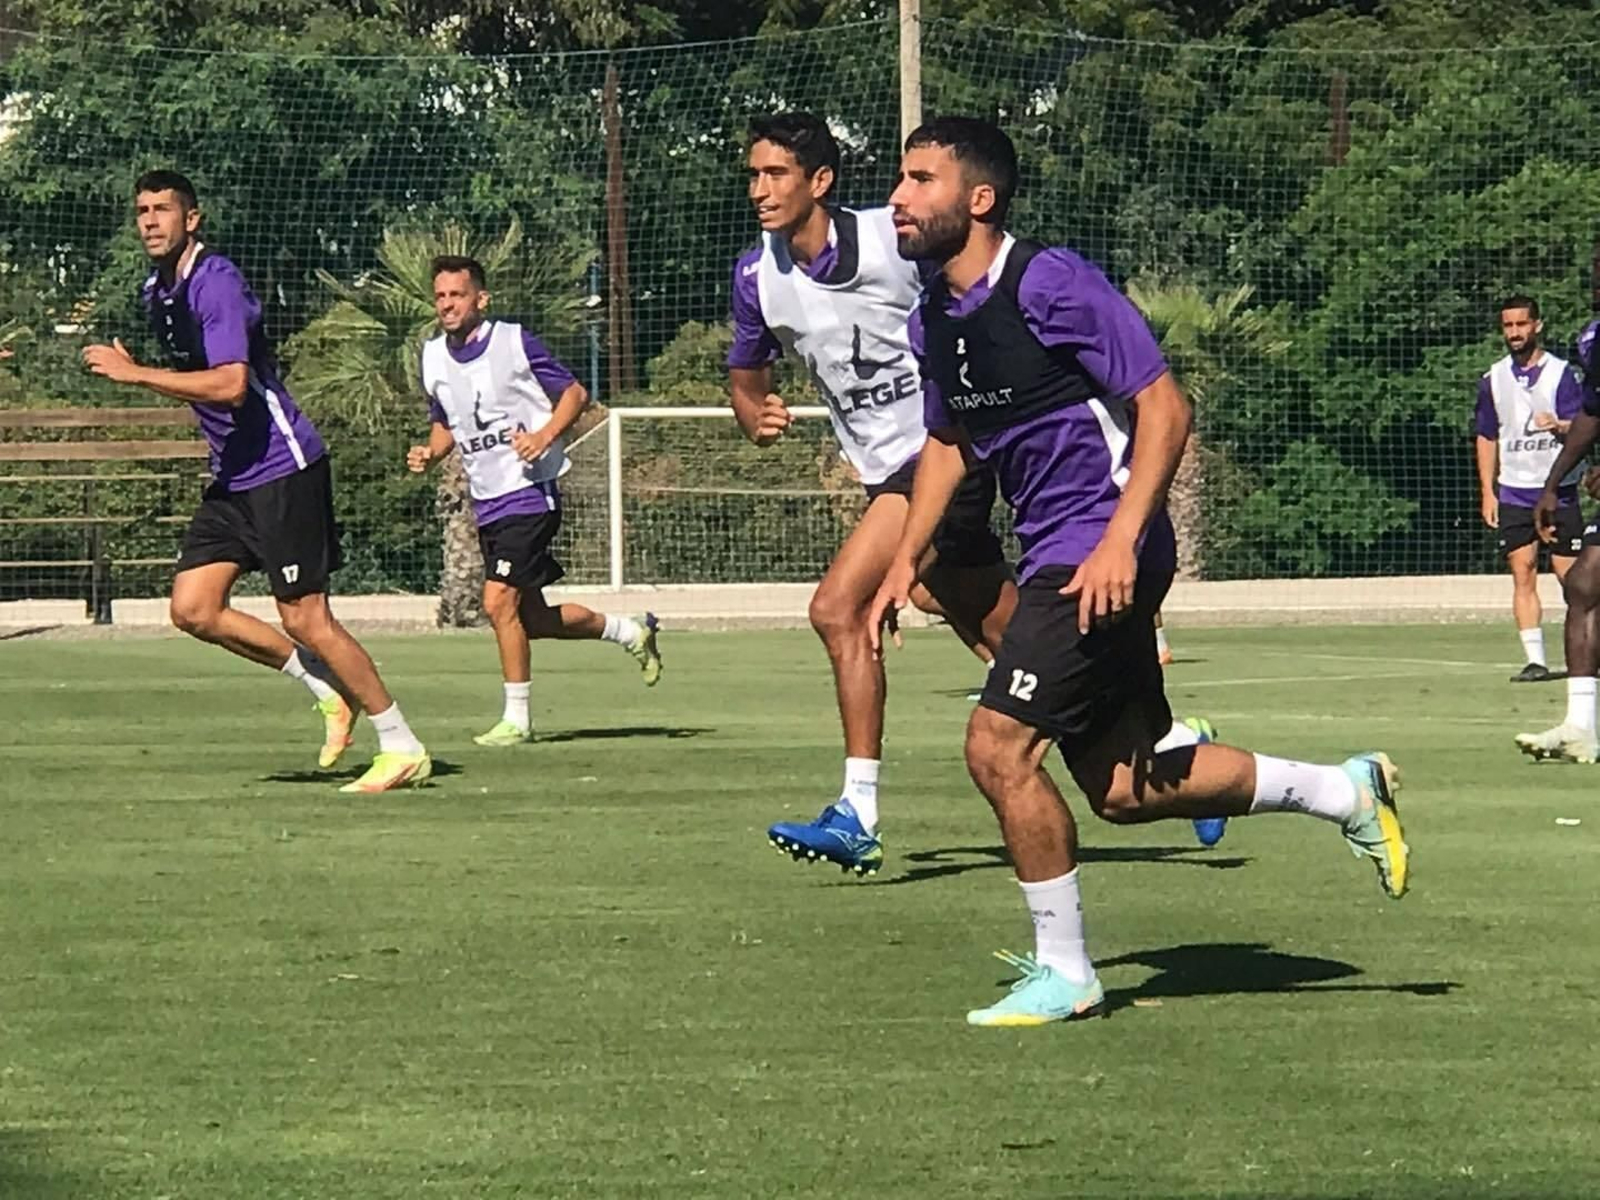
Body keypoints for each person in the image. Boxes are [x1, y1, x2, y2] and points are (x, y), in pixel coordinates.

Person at [868, 117, 1409, 1026]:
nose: (898, 197)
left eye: (922, 180)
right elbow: (949, 444)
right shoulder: (935, 319)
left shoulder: (1051, 282)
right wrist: (901, 563)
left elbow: (1165, 407)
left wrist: (1121, 538)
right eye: (900, 178)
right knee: (1123, 787)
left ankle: (1068, 972)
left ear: (981, 198)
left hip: (1096, 548)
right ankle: (1346, 791)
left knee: (997, 748)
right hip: (1060, 549)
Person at [727, 112, 1017, 877]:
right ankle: (1160, 740)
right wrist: (752, 412)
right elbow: (746, 375)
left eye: (777, 173)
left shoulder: (894, 240)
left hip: (942, 453)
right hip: (887, 470)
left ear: (820, 182)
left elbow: (977, 289)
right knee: (995, 631)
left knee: (836, 609)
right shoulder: (757, 276)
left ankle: (858, 813)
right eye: (754, 174)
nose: (760, 189)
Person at [82, 169, 430, 793]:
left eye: (163, 209)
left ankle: (401, 743)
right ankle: (326, 688)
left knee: (306, 618)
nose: (151, 220)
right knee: (194, 608)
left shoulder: (215, 281)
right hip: (234, 478)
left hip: (282, 467)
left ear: (192, 219)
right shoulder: (156, 291)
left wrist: (137, 375)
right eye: (142, 210)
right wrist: (142, 369)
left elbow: (231, 384)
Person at [408, 256, 662, 745]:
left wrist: (544, 436)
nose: (447, 305)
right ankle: (630, 632)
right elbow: (446, 424)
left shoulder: (512, 341)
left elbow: (575, 393)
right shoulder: (433, 356)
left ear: (481, 299)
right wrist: (430, 453)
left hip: (528, 492)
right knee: (533, 619)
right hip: (487, 502)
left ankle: (517, 720)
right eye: (440, 296)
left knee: (497, 601)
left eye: (457, 295)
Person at [1474, 295, 1585, 682]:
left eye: (1521, 324)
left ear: (1537, 325)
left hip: (1557, 489)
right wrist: (1488, 491)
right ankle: (1535, 660)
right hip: (1514, 490)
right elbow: (1486, 435)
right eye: (1508, 325)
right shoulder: (1493, 378)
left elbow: (1582, 425)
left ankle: (1586, 654)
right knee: (1522, 571)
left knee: (1574, 580)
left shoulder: (1562, 373)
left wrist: (1559, 425)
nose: (1515, 332)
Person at [1515, 308, 1600, 762]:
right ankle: (1580, 726)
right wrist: (1553, 483)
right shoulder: (1594, 338)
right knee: (1584, 585)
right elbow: (1592, 412)